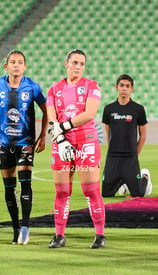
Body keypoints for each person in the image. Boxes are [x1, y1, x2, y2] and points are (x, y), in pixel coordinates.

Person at [0, 50, 48, 245]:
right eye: (12, 62)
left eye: (20, 62)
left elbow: (47, 111)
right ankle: (15, 228)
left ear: (25, 67)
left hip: (25, 143)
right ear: (6, 66)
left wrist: (43, 135)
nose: (16, 65)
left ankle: (26, 228)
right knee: (9, 188)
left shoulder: (32, 87)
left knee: (26, 184)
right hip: (4, 143)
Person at [46, 49, 106, 249]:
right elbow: (51, 116)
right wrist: (61, 139)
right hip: (62, 143)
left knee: (91, 190)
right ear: (66, 64)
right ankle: (59, 236)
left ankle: (100, 235)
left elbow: (89, 114)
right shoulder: (54, 89)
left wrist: (61, 128)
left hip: (86, 141)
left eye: (82, 64)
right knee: (62, 191)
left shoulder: (91, 86)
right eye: (74, 63)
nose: (78, 67)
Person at [101, 74, 152, 197]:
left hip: (130, 158)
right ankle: (123, 182)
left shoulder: (138, 109)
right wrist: (112, 150)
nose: (124, 88)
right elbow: (109, 135)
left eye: (127, 86)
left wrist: (135, 154)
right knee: (106, 194)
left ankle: (145, 177)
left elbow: (143, 136)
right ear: (116, 87)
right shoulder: (108, 109)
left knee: (138, 194)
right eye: (122, 85)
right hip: (113, 157)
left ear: (131, 89)